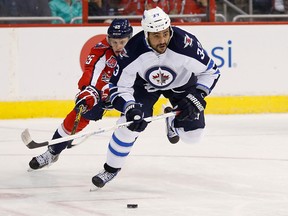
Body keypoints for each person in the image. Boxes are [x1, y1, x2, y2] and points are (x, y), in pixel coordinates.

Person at [91, 6, 221, 188]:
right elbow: (118, 86)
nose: (163, 40)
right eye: (156, 36)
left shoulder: (185, 44)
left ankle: (172, 122)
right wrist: (129, 107)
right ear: (146, 34)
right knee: (129, 127)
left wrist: (198, 95)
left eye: (165, 34)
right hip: (145, 86)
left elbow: (211, 72)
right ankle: (110, 169)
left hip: (182, 84)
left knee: (194, 136)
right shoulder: (132, 50)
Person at [28, 19, 133, 170]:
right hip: (106, 91)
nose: (118, 46)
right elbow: (91, 72)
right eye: (114, 42)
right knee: (80, 113)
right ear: (109, 39)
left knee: (137, 117)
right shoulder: (101, 49)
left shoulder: (139, 49)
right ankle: (52, 152)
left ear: (130, 38)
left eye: (122, 42)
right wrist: (88, 93)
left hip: (132, 91)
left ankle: (171, 124)